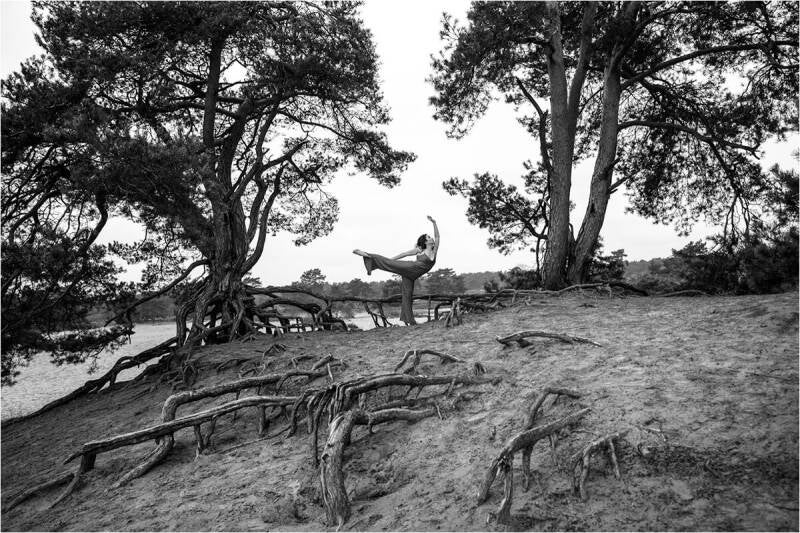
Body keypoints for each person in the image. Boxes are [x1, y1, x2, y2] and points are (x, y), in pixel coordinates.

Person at [353, 216, 440, 325]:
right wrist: (390, 260)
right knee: (390, 264)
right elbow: (404, 254)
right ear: (426, 242)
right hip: (411, 268)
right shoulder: (419, 250)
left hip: (412, 275)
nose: (431, 238)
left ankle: (410, 320)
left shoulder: (434, 250)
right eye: (429, 237)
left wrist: (434, 223)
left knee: (407, 296)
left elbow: (437, 236)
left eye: (430, 237)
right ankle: (367, 255)